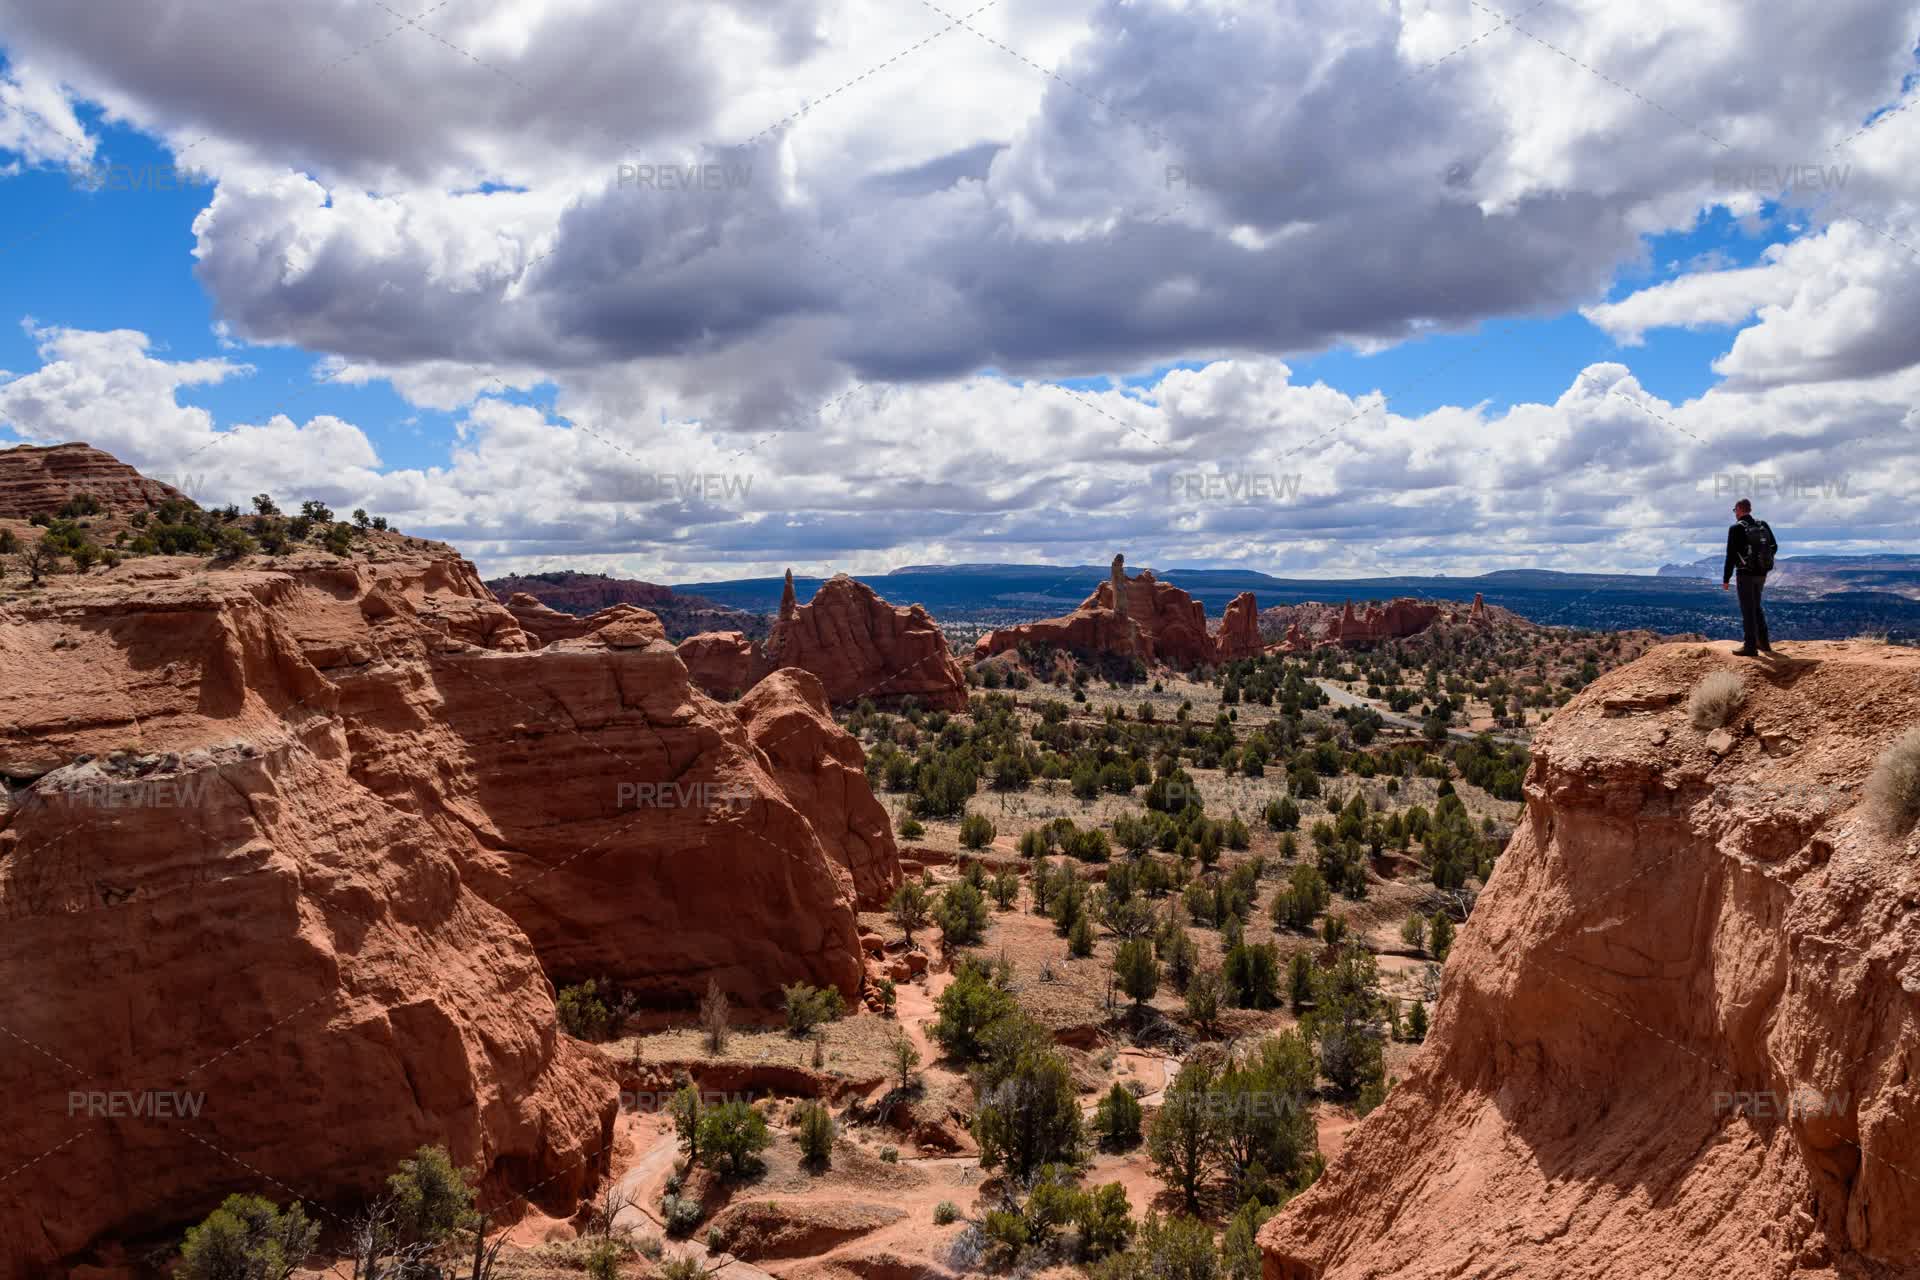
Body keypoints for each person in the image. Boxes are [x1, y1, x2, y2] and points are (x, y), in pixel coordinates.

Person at [1721, 498, 1777, 657]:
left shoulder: (1736, 528)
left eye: (1735, 510)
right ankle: (1764, 643)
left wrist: (1726, 578)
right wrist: (1762, 562)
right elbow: (1774, 546)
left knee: (1747, 609)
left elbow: (1730, 555)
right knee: (1756, 606)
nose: (1735, 513)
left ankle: (1750, 646)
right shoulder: (1762, 525)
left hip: (1745, 574)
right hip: (1761, 573)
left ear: (1739, 509)